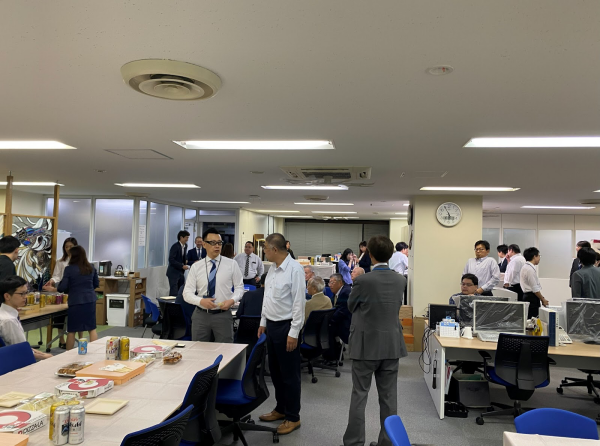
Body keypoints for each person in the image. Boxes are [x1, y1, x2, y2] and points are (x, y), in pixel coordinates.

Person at [342, 235, 407, 446]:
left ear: (369, 254)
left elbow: (351, 306)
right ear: (391, 255)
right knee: (389, 398)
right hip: (391, 345)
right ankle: (387, 442)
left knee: (359, 395)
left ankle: (354, 442)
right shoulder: (401, 280)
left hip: (365, 345)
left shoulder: (363, 281)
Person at [257, 233, 304, 435]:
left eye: (265, 249)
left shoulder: (295, 270)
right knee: (276, 372)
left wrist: (294, 332)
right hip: (272, 326)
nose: (264, 252)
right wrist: (263, 322)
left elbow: (299, 304)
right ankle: (281, 408)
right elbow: (267, 298)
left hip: (287, 327)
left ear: (274, 249)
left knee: (289, 375)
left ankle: (293, 417)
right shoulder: (273, 270)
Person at [183, 228, 244, 343]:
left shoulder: (231, 264)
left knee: (225, 349)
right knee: (199, 349)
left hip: (223, 314)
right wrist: (201, 301)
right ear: (204, 244)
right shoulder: (196, 267)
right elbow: (187, 293)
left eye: (219, 243)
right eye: (213, 243)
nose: (217, 246)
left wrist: (232, 300)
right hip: (201, 315)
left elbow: (239, 288)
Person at [57, 246, 99, 350]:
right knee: (92, 328)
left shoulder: (69, 269)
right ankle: (95, 352)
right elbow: (96, 284)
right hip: (90, 300)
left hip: (75, 301)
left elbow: (62, 287)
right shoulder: (91, 267)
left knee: (72, 330)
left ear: (73, 256)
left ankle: (69, 355)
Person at [0, 276, 52, 360]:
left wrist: (42, 354)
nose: (26, 297)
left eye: (26, 292)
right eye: (22, 294)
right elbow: (21, 350)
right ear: (7, 296)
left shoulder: (5, 313)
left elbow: (23, 345)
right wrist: (45, 357)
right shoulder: (9, 320)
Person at [43, 236, 78, 348]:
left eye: (70, 246)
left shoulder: (79, 261)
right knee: (60, 315)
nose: (68, 249)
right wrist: (52, 281)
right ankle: (61, 339)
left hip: (75, 290)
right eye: (66, 247)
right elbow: (56, 276)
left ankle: (76, 339)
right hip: (62, 289)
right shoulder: (61, 261)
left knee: (74, 316)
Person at [520, 247, 548, 318]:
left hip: (527, 296)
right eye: (539, 256)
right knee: (533, 319)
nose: (539, 258)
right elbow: (535, 288)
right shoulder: (530, 270)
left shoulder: (525, 267)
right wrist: (543, 299)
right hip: (531, 298)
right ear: (534, 256)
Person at [167, 230, 190, 296]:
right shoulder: (175, 246)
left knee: (181, 290)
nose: (187, 239)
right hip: (173, 272)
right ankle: (172, 302)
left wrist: (186, 260)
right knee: (174, 292)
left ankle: (179, 302)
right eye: (186, 237)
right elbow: (171, 260)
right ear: (181, 237)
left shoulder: (185, 246)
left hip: (181, 272)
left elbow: (184, 255)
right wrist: (182, 266)